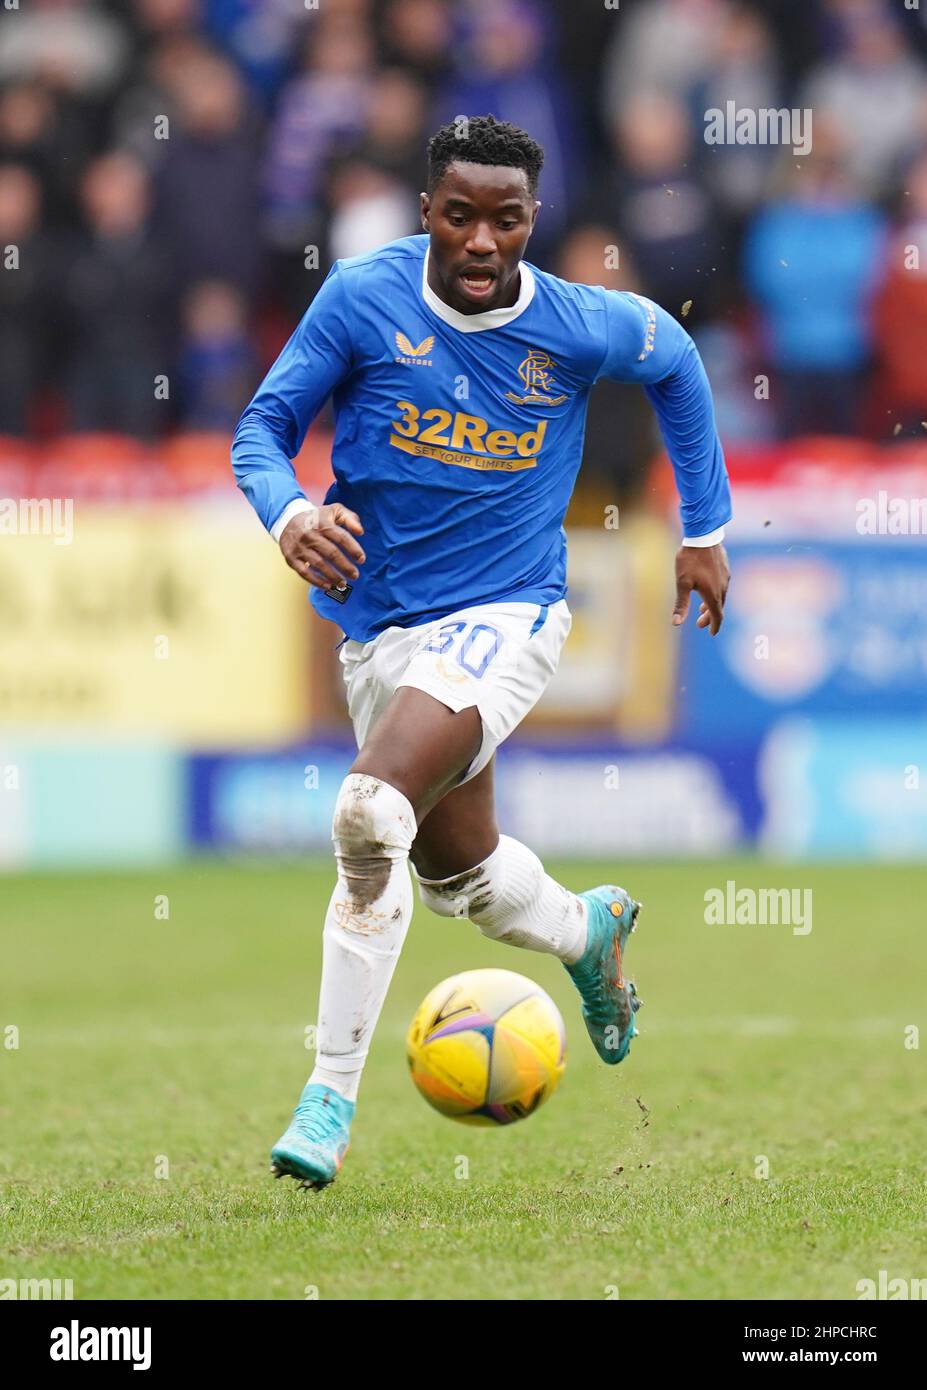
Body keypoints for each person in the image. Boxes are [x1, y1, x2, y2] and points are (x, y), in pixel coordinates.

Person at [232, 116, 732, 1189]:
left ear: (529, 222)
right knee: (460, 877)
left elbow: (680, 363)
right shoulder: (364, 297)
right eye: (459, 215)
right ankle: (590, 931)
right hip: (381, 631)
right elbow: (259, 432)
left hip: (510, 615)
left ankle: (326, 1098)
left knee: (368, 811)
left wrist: (703, 532)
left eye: (505, 220)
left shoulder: (576, 322)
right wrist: (288, 517)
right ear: (427, 213)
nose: (480, 240)